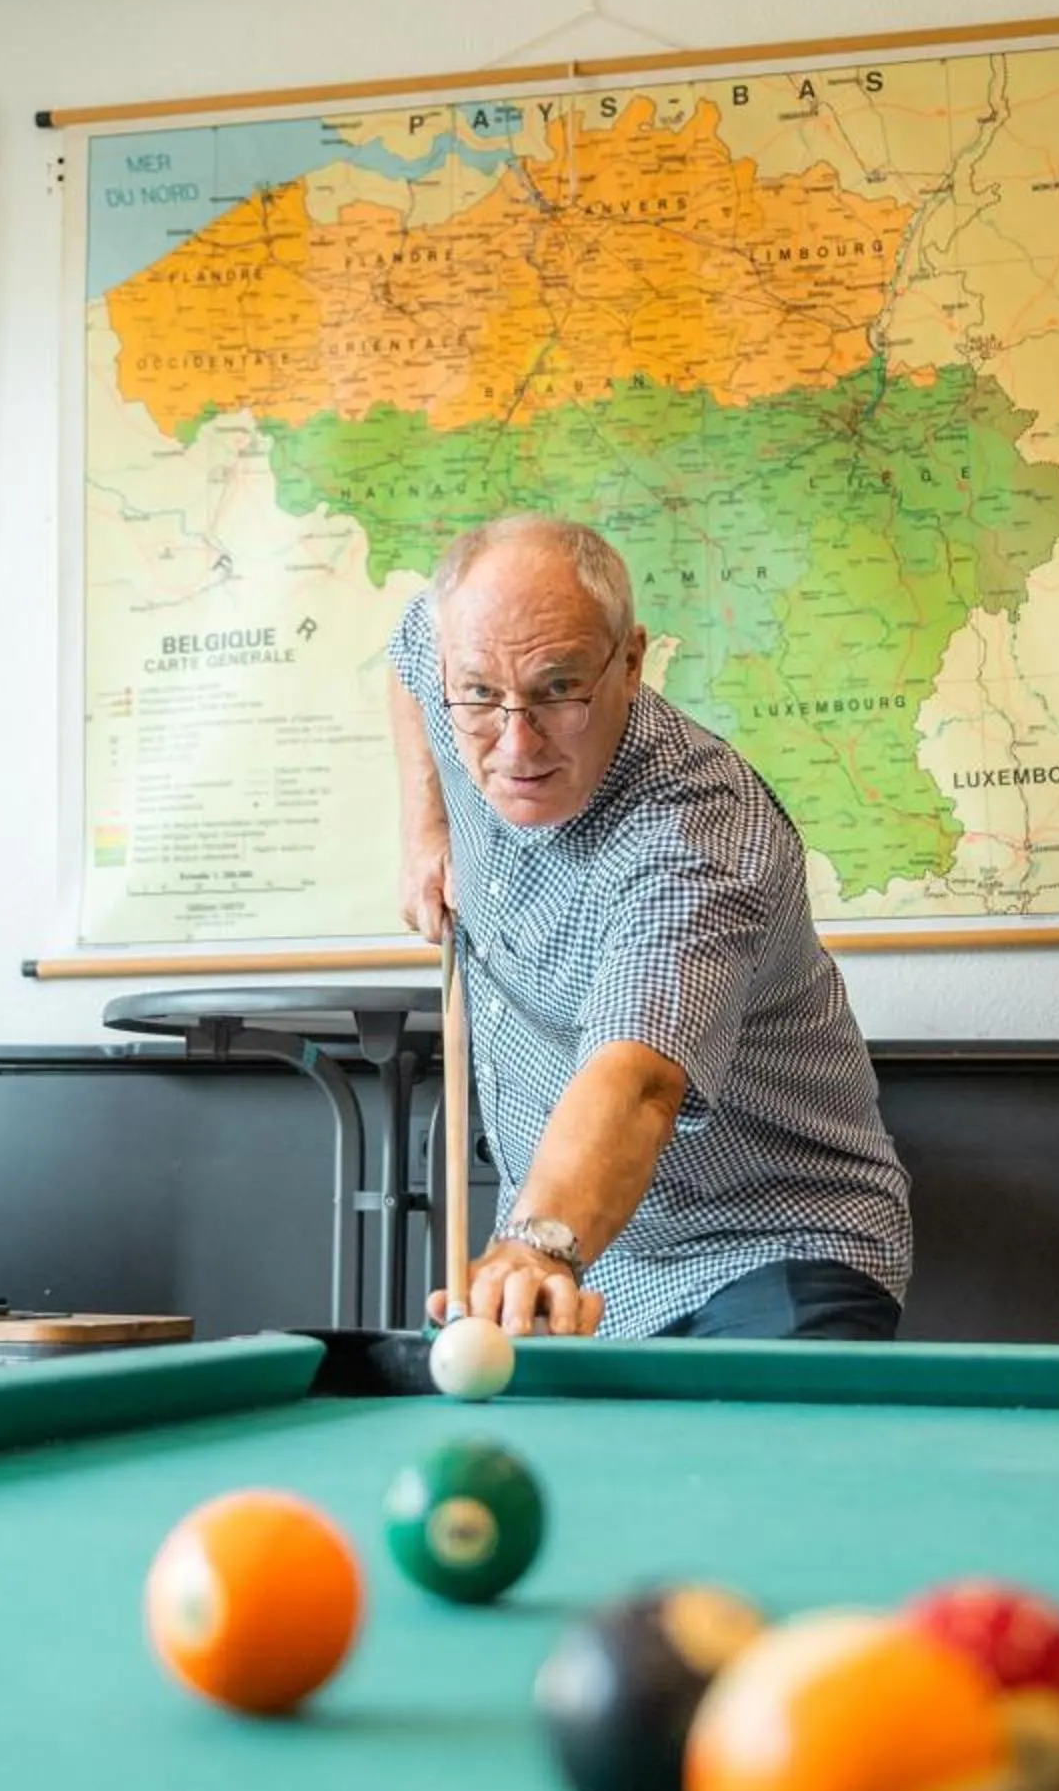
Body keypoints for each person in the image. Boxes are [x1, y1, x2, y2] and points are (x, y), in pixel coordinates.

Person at [388, 516, 911, 1341]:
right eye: (482, 695)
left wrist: (536, 1246)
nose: (516, 745)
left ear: (630, 662)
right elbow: (407, 656)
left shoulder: (697, 830)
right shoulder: (455, 653)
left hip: (761, 1249)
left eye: (560, 690)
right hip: (576, 1266)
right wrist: (426, 828)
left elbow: (637, 1082)